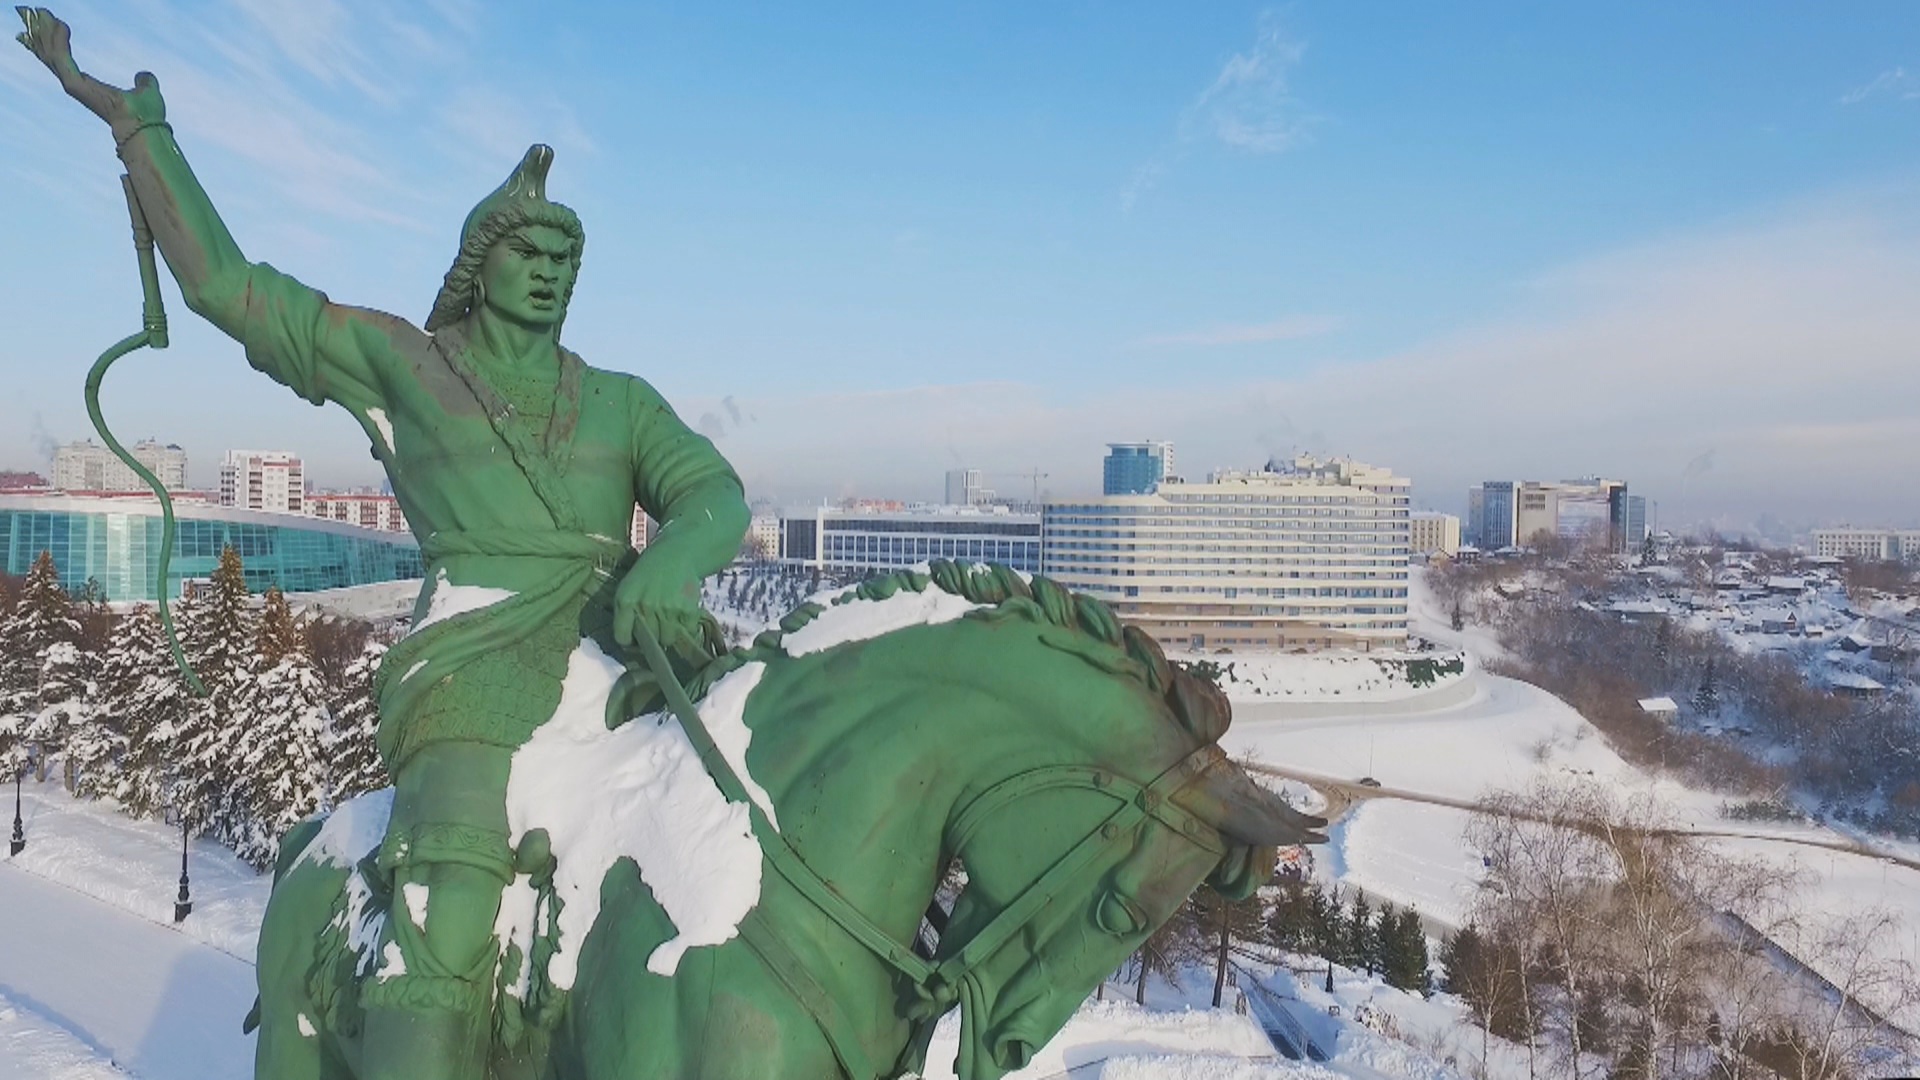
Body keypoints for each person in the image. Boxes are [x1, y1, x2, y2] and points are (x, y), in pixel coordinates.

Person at [16, 10, 751, 1078]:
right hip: (473, 668)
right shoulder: (405, 366)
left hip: (624, 657)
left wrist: (675, 562)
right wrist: (140, 136)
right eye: (528, 249)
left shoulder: (621, 402)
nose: (548, 270)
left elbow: (713, 492)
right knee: (450, 888)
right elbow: (232, 290)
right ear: (480, 262)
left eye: (564, 255)